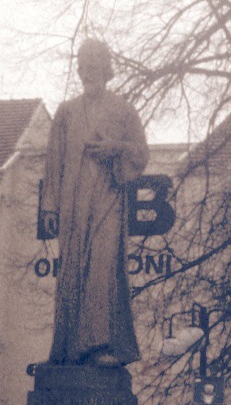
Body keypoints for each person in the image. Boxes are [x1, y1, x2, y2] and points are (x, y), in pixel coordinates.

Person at [40, 38, 149, 366]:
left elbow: (141, 154)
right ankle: (67, 350)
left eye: (95, 64)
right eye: (84, 65)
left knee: (101, 271)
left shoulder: (123, 109)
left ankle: (100, 345)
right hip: (74, 206)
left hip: (106, 202)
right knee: (71, 274)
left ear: (106, 68)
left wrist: (116, 147)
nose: (88, 70)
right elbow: (54, 160)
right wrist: (49, 205)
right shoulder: (66, 112)